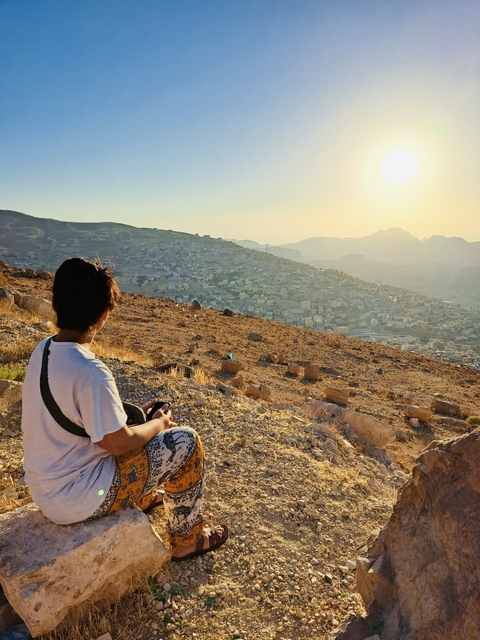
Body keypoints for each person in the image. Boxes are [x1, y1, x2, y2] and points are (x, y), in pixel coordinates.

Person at [21, 257, 228, 561]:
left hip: (46, 488)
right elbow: (119, 444)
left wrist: (137, 421)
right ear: (103, 316)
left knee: (139, 426)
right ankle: (186, 539)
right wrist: (159, 424)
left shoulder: (44, 349)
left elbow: (83, 423)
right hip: (77, 498)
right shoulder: (90, 370)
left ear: (55, 303)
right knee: (186, 443)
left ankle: (140, 498)